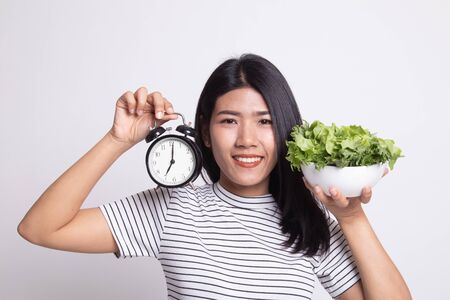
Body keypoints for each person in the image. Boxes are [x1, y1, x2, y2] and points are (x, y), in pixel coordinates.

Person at [18, 54, 411, 299]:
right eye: (228, 121)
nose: (246, 140)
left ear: (289, 133)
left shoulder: (310, 224)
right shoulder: (172, 209)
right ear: (205, 131)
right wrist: (117, 140)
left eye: (265, 122)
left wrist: (352, 219)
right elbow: (40, 229)